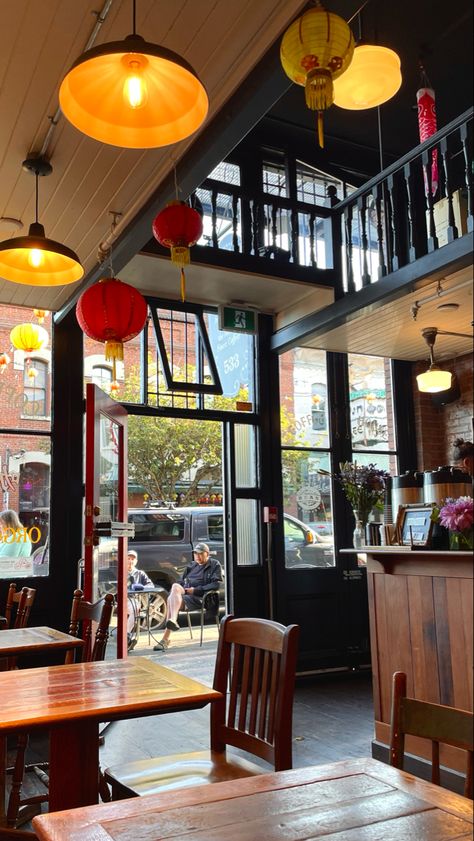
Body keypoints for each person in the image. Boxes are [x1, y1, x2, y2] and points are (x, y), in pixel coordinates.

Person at [153, 542, 222, 651]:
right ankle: (171, 622)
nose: (197, 556)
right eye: (195, 554)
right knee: (175, 588)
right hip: (186, 596)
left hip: (202, 598)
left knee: (172, 597)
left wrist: (196, 590)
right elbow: (180, 581)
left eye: (200, 554)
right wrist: (182, 590)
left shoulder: (214, 564)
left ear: (207, 553)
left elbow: (216, 584)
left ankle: (166, 636)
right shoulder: (191, 566)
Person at [127, 550, 153, 649]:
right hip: (120, 600)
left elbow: (151, 585)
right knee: (135, 606)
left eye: (132, 559)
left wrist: (140, 587)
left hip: (133, 600)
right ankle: (127, 638)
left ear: (136, 561)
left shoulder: (139, 573)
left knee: (135, 606)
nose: (130, 561)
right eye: (128, 559)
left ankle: (127, 636)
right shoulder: (119, 571)